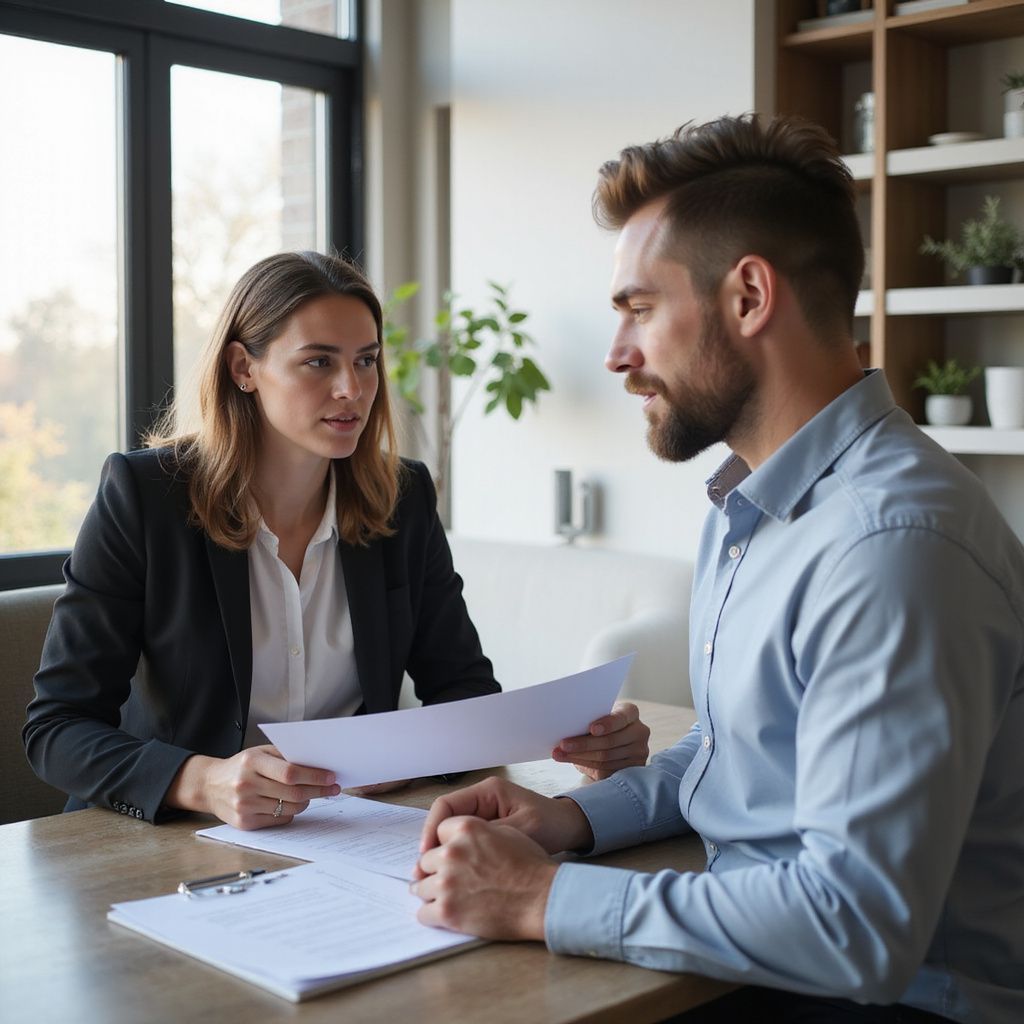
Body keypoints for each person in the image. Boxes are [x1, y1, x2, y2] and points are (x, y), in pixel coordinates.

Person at [410, 115, 1024, 1023]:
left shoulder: (892, 547)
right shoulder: (752, 509)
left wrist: (540, 898)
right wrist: (574, 821)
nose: (617, 356)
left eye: (638, 309)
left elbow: (855, 927)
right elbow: (740, 746)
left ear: (747, 298)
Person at [24, 251, 651, 830]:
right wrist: (204, 781)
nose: (352, 388)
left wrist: (579, 739)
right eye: (318, 361)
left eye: (367, 359)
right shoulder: (144, 497)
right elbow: (58, 728)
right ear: (245, 368)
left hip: (343, 836)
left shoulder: (402, 499)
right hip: (170, 839)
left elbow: (462, 692)